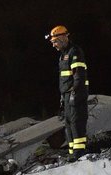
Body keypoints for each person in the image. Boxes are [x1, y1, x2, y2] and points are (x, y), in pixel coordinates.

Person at [46, 25, 89, 159]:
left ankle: (79, 152)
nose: (54, 45)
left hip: (76, 93)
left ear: (63, 38)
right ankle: (72, 153)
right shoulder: (63, 55)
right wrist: (63, 96)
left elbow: (79, 76)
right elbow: (65, 79)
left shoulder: (74, 52)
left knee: (77, 123)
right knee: (68, 124)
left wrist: (74, 94)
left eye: (55, 42)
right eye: (52, 43)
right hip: (66, 95)